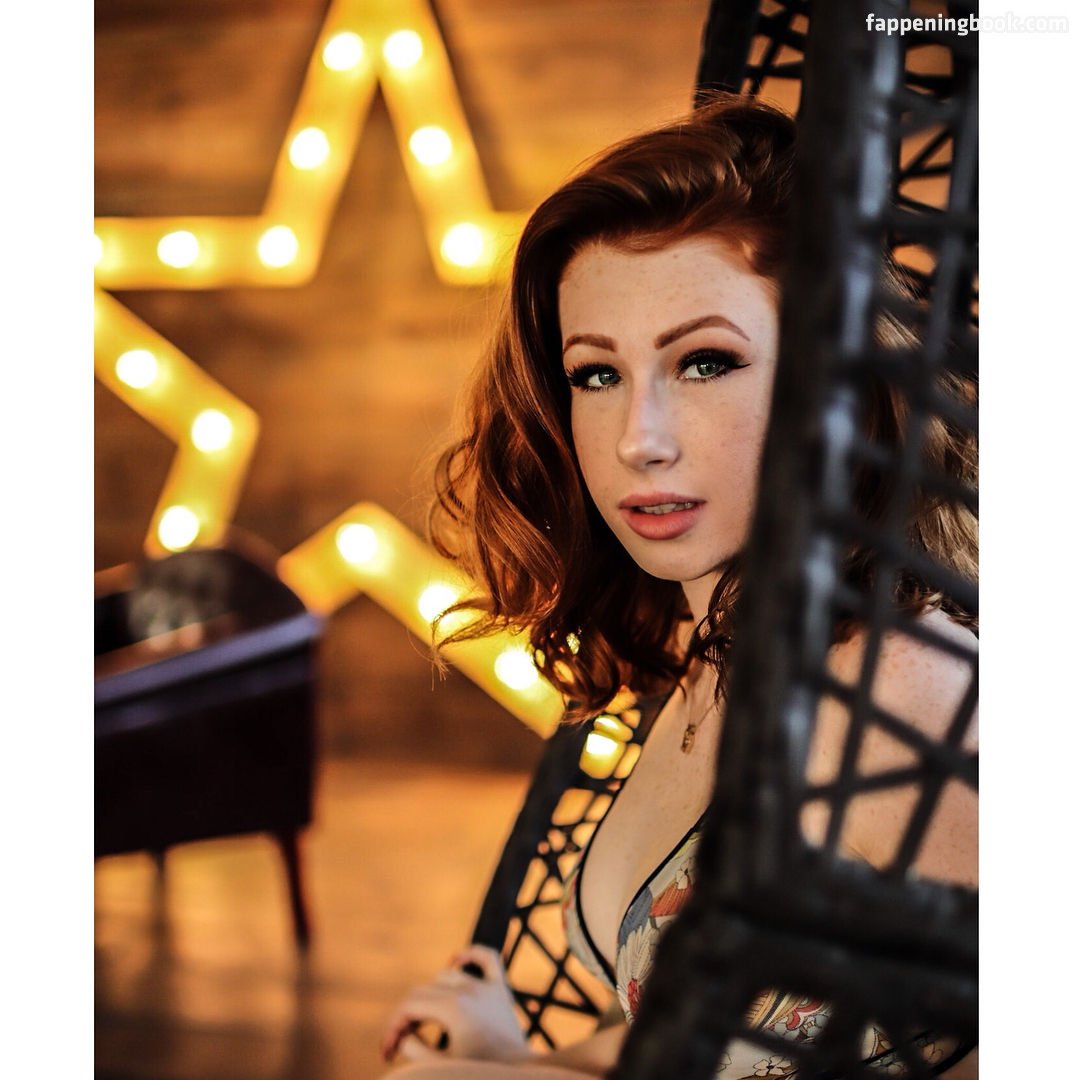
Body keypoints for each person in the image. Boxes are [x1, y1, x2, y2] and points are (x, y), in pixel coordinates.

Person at [379, 94, 978, 1079]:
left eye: (705, 362)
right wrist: (521, 1062)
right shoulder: (706, 660)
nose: (639, 440)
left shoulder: (910, 696)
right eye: (596, 374)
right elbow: (731, 1032)